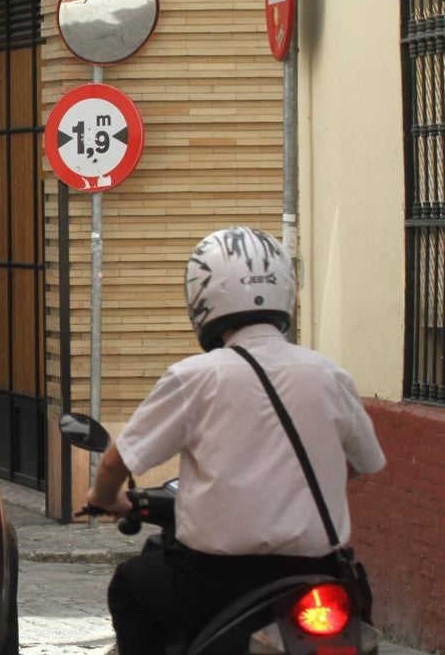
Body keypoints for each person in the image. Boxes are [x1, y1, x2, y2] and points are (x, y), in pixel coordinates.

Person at [84, 226, 386, 654]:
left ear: (202, 297)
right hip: (319, 573)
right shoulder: (328, 374)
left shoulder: (194, 378)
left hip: (216, 580)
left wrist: (104, 496)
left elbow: (119, 462)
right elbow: (363, 461)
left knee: (130, 586)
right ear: (285, 289)